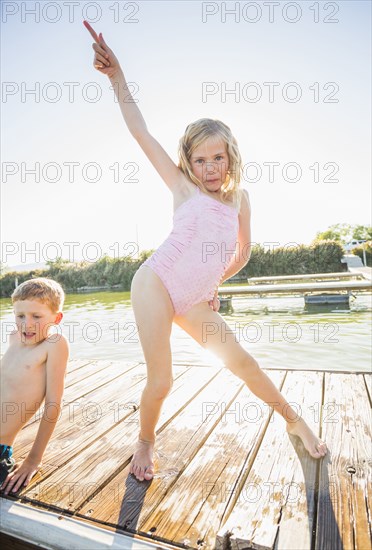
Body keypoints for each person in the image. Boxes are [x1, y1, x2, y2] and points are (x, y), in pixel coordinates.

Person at [84, 21, 328, 482]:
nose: (209, 167)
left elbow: (242, 251)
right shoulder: (181, 187)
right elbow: (140, 131)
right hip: (155, 283)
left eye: (218, 158)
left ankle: (294, 420)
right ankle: (145, 439)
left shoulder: (240, 199)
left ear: (230, 157)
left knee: (243, 361)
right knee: (163, 380)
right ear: (188, 162)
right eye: (200, 159)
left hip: (194, 298)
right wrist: (117, 77)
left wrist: (212, 283)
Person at [0, 278, 69, 495]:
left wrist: (33, 460)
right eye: (20, 316)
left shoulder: (54, 344)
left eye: (36, 317)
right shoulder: (13, 338)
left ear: (56, 318)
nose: (26, 324)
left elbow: (53, 405)